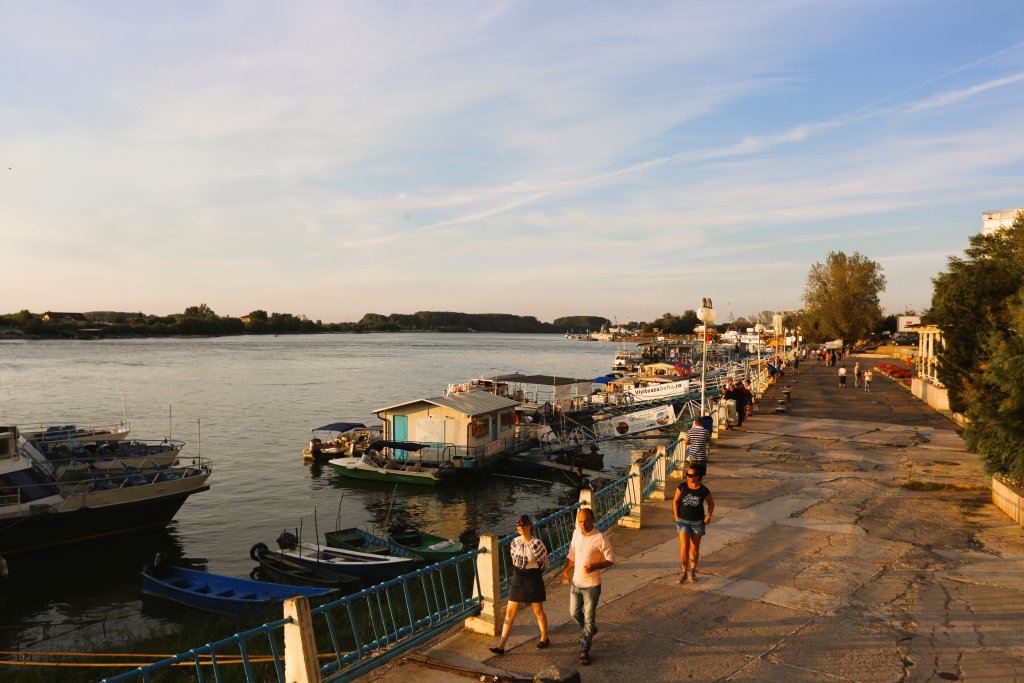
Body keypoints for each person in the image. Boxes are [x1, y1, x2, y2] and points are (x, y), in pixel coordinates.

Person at [489, 514, 550, 655]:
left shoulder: (537, 544)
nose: (521, 528)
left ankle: (544, 637)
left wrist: (533, 573)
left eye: (523, 525)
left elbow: (544, 563)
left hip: (533, 577)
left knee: (538, 611)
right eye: (519, 526)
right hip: (518, 577)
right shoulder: (515, 542)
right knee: (510, 612)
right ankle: (501, 646)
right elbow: (513, 559)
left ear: (529, 526)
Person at [562, 507, 615, 666]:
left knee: (589, 618)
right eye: (580, 521)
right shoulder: (576, 533)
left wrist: (595, 566)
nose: (583, 525)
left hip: (592, 586)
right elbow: (572, 554)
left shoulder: (600, 538)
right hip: (576, 583)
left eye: (586, 521)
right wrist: (566, 571)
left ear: (593, 521)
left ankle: (585, 649)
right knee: (573, 612)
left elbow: (611, 558)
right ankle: (589, 631)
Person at [673, 467, 715, 584]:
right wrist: (676, 516)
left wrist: (708, 516)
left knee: (695, 548)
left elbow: (711, 504)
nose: (688, 477)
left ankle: (692, 572)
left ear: (697, 477)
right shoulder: (682, 486)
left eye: (690, 475)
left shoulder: (703, 490)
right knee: (684, 548)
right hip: (683, 522)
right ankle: (684, 573)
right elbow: (675, 501)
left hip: (698, 523)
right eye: (687, 474)